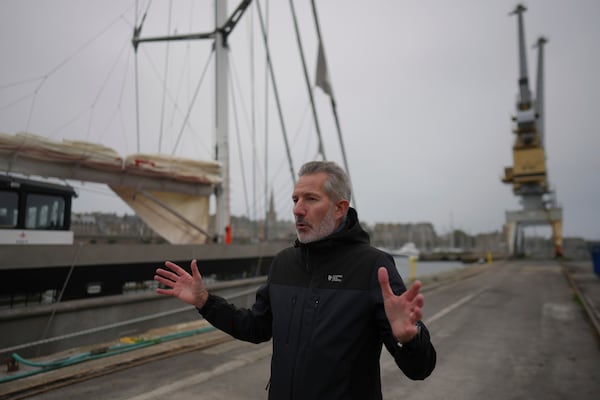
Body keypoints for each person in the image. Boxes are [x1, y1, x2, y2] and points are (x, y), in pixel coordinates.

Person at [154, 160, 436, 399]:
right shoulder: (284, 263)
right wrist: (205, 302)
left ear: (340, 208)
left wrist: (409, 340)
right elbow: (256, 327)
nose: (297, 209)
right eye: (295, 200)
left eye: (310, 199)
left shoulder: (374, 267)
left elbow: (419, 369)